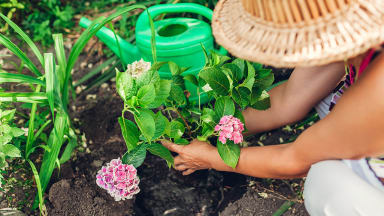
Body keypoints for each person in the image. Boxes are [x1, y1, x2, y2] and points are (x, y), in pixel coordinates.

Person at [162, 0, 384, 215]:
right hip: (364, 118)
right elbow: (289, 99)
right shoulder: (347, 24)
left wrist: (210, 158)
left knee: (325, 183)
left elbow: (293, 160)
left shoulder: (378, 90)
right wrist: (216, 128)